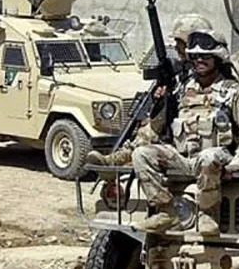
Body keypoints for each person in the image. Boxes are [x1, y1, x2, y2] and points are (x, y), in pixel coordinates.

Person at [131, 30, 239, 236]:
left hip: (217, 162)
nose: (199, 61)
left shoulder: (234, 93)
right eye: (194, 56)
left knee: (208, 156)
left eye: (205, 56)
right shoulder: (181, 89)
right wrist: (160, 104)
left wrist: (237, 164)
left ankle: (208, 213)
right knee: (141, 154)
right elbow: (160, 129)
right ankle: (166, 212)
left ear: (218, 58)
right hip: (185, 160)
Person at [86, 14, 214, 167]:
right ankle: (119, 157)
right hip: (179, 127)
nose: (176, 47)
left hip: (199, 136)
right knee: (150, 126)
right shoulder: (183, 72)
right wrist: (162, 100)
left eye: (180, 43)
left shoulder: (208, 72)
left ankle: (124, 158)